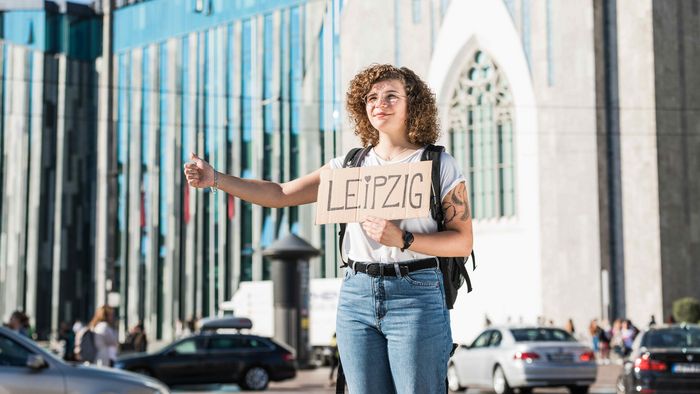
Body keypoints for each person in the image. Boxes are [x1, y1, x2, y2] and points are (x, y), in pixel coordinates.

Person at [184, 64, 473, 393]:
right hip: (356, 295)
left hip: (416, 295)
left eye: (392, 96)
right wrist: (216, 178)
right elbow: (279, 194)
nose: (380, 103)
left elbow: (462, 242)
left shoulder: (437, 165)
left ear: (412, 105)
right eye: (372, 97)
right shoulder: (349, 166)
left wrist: (404, 239)